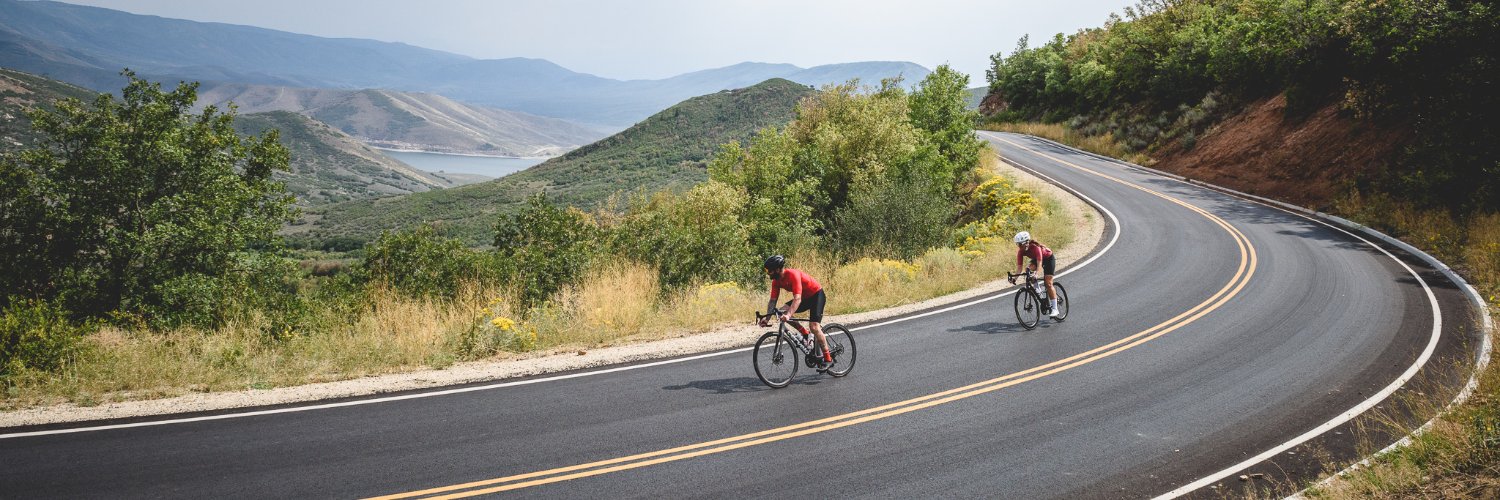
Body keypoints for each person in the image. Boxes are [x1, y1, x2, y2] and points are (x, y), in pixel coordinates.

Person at [758, 255, 833, 370]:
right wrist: (767, 318)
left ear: (777, 269)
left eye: (770, 270)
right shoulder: (776, 281)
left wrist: (788, 315)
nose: (768, 273)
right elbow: (773, 300)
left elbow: (797, 299)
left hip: (816, 295)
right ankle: (805, 334)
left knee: (814, 326)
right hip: (804, 298)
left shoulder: (793, 275)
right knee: (781, 311)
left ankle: (828, 359)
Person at [1011, 231, 1060, 318]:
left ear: (1026, 243)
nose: (1019, 247)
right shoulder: (1021, 251)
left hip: (1048, 259)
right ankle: (1038, 289)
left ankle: (1055, 309)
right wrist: (1015, 278)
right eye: (1018, 245)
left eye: (1019, 244)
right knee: (1028, 270)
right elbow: (1019, 268)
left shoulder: (1036, 248)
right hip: (1037, 259)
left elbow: (1040, 264)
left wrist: (1036, 274)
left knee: (1048, 283)